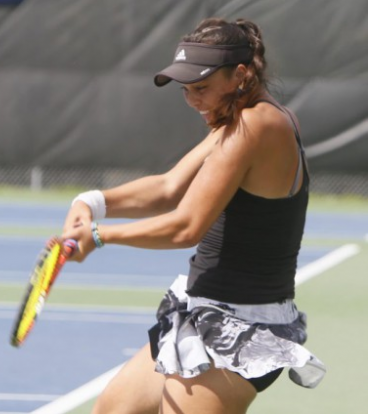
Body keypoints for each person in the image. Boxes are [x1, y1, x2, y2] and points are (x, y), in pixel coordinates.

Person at [61, 17, 326, 414]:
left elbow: (186, 226)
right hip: (203, 312)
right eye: (187, 91)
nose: (194, 100)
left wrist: (100, 236)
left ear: (240, 75)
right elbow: (169, 188)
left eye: (202, 88)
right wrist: (89, 202)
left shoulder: (257, 125)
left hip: (240, 330)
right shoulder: (239, 119)